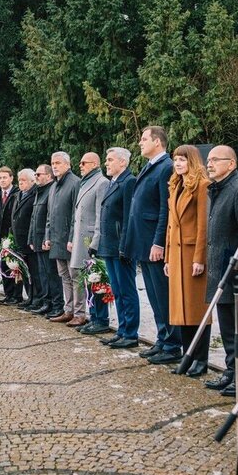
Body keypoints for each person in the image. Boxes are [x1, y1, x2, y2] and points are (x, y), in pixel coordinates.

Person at [202, 146, 238, 394]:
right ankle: (230, 370)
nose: (209, 164)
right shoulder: (216, 190)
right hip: (219, 269)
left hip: (236, 273)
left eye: (215, 160)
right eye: (209, 160)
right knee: (226, 326)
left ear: (231, 164)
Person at [124, 126, 180, 360]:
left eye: (144, 139)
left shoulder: (166, 167)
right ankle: (162, 337)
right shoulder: (150, 166)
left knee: (163, 295)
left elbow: (165, 209)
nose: (140, 142)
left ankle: (172, 345)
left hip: (154, 243)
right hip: (143, 241)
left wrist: (159, 243)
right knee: (155, 296)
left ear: (158, 142)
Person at [164, 145, 210, 371]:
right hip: (176, 254)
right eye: (175, 160)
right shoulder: (175, 185)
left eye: (182, 159)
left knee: (196, 308)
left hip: (192, 254)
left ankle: (200, 359)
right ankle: (187, 356)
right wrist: (167, 257)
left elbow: (204, 225)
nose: (178, 163)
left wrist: (199, 258)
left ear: (192, 161)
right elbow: (170, 225)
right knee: (180, 309)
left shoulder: (202, 185)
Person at [98, 147, 138, 348]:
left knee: (127, 290)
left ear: (123, 162)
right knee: (117, 290)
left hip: (121, 247)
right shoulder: (113, 182)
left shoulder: (128, 182)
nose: (106, 163)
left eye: (110, 159)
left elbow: (129, 216)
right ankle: (122, 330)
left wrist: (125, 246)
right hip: (109, 245)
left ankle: (130, 333)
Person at [71, 153, 109, 332]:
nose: (80, 165)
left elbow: (101, 215)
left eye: (83, 162)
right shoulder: (85, 183)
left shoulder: (101, 183)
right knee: (88, 280)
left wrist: (95, 241)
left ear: (94, 164)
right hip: (81, 239)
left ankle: (101, 319)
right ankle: (94, 317)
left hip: (91, 240)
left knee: (96, 279)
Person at [45, 152, 81, 320]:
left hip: (69, 240)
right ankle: (69, 311)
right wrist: (47, 236)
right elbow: (49, 215)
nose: (54, 166)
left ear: (68, 164)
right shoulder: (53, 186)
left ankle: (79, 313)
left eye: (58, 163)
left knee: (76, 277)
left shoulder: (75, 183)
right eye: (53, 163)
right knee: (65, 277)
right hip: (56, 239)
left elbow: (76, 214)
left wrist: (72, 238)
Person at [27, 164, 60, 316]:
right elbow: (34, 218)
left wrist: (47, 238)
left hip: (46, 240)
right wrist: (31, 238)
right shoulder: (39, 192)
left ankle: (55, 304)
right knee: (43, 274)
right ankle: (46, 302)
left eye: (39, 174)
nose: (36, 177)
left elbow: (49, 218)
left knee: (51, 274)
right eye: (35, 175)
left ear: (48, 175)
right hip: (37, 238)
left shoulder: (51, 190)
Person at [9, 169, 38, 307]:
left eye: (24, 180)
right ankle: (29, 297)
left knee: (33, 272)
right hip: (18, 240)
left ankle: (36, 298)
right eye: (19, 180)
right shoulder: (18, 195)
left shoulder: (35, 194)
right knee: (24, 271)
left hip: (28, 239)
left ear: (32, 181)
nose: (20, 183)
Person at [0, 167, 17, 302]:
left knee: (14, 266)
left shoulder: (16, 194)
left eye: (5, 177)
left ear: (11, 178)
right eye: (0, 178)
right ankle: (8, 294)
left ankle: (16, 295)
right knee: (4, 266)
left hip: (12, 236)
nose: (2, 180)